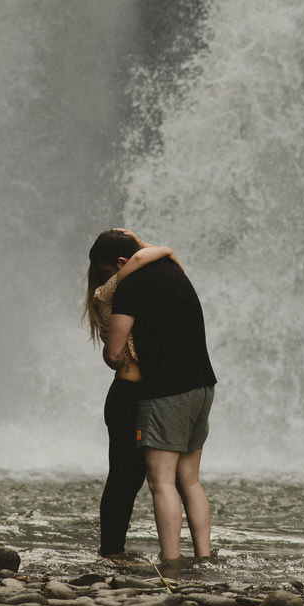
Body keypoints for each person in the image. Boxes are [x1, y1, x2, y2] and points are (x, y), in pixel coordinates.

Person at [94, 228, 218, 567]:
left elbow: (115, 353)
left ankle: (171, 562)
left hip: (166, 390)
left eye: (108, 272)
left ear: (121, 263)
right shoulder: (172, 268)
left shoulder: (130, 287)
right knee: (190, 480)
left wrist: (112, 347)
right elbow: (152, 250)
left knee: (160, 482)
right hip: (203, 386)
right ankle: (205, 557)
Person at [83, 229, 173, 557]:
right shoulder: (111, 293)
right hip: (127, 397)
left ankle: (112, 550)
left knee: (126, 479)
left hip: (131, 395)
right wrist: (139, 243)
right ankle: (111, 550)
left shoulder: (127, 289)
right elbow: (158, 253)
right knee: (125, 479)